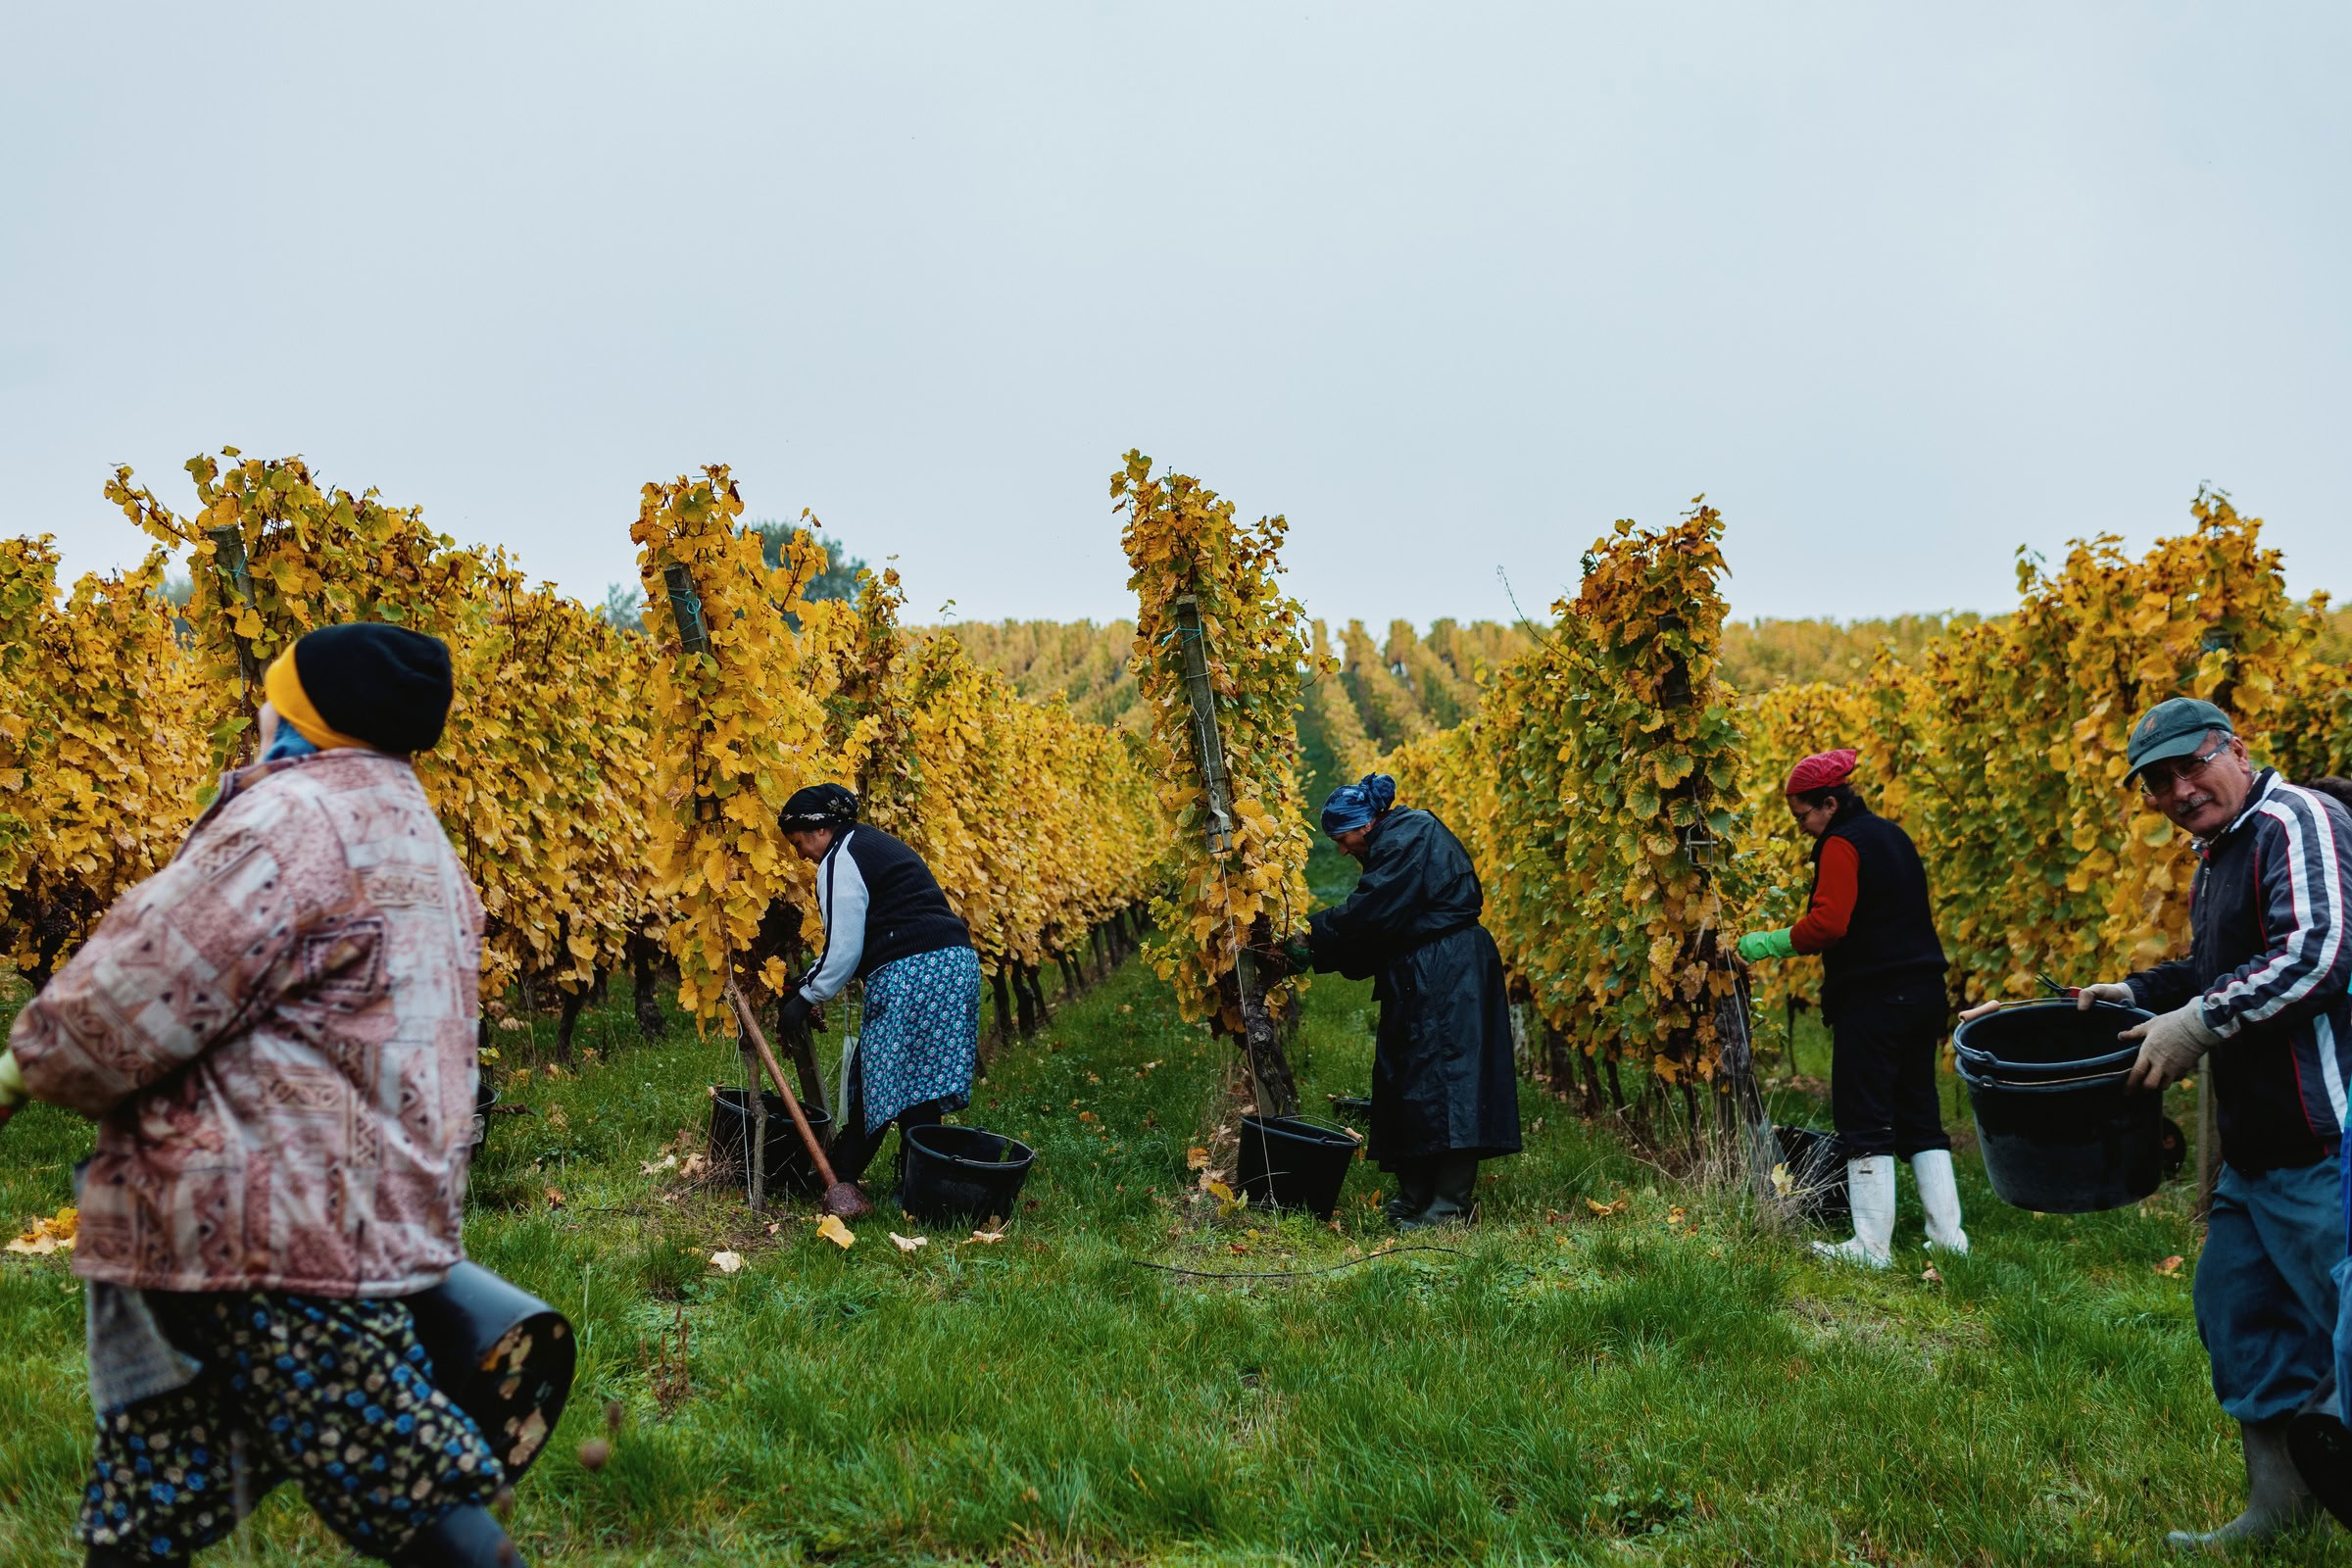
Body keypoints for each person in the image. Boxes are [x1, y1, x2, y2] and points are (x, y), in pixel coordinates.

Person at [0, 624, 527, 1567]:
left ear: (302, 713)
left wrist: (24, 1066)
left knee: (410, 1484)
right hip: (355, 1205)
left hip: (271, 1227)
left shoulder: (295, 820)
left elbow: (145, 979)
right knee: (153, 1495)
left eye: (274, 692)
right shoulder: (412, 829)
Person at [1969, 699, 2352, 1549]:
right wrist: (2142, 994)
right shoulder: (2218, 853)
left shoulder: (2298, 819)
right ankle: (2278, 1513)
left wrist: (2198, 1023)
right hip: (2254, 1154)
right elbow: (2215, 968)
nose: (2180, 790)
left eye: (2192, 766)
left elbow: (2317, 954)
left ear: (2237, 750)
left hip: (2328, 1142)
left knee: (2346, 1327)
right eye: (2158, 783)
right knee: (2238, 1316)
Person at [1736, 748, 1965, 1266]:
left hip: (1874, 998)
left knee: (1864, 1118)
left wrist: (1767, 943)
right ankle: (1950, 1240)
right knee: (1919, 1113)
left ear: (1830, 804)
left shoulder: (1840, 845)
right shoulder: (1893, 835)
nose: (1801, 828)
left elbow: (1828, 925)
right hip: (1924, 992)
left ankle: (1870, 1247)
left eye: (1804, 816)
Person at [1287, 773, 1520, 1227]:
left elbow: (1371, 914)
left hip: (1451, 970)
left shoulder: (1410, 836)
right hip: (1425, 967)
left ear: (1366, 825)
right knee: (1408, 1078)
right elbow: (1384, 924)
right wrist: (1320, 951)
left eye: (1342, 837)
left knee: (1451, 1079)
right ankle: (1415, 1195)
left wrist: (1311, 936)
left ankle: (1448, 1208)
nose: (1341, 849)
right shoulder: (1396, 838)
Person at [777, 783, 982, 1201]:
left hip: (915, 973)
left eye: (798, 842)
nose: (800, 853)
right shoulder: (870, 843)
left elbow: (844, 950)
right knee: (916, 1083)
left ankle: (839, 1176)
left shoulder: (840, 859)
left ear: (819, 830)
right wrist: (806, 982)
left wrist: (804, 999)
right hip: (953, 964)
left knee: (882, 1079)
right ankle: (921, 1187)